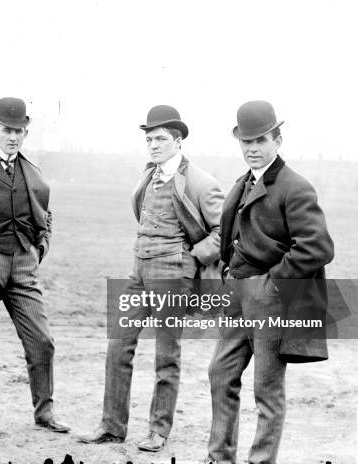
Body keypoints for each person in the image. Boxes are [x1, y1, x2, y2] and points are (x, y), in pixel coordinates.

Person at [78, 105, 224, 452]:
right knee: (118, 346)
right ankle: (112, 426)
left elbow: (223, 231)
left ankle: (159, 430)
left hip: (173, 275)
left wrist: (190, 255)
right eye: (149, 139)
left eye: (160, 139)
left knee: (166, 353)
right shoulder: (148, 176)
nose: (153, 145)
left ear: (178, 141)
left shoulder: (201, 182)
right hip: (139, 271)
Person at [204, 100, 334, 464]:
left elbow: (318, 247)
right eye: (246, 142)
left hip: (270, 300)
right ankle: (219, 457)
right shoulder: (243, 183)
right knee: (220, 373)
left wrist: (272, 284)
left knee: (267, 389)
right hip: (237, 295)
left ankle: (260, 461)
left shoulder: (294, 187)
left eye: (260, 140)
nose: (252, 149)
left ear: (278, 139)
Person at [0, 97, 69, 437]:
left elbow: (46, 214)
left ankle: (45, 412)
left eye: (19, 131)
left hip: (24, 262)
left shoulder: (32, 169)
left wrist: (41, 247)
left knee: (42, 340)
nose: (13, 137)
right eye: (7, 130)